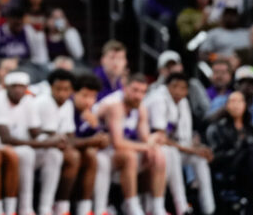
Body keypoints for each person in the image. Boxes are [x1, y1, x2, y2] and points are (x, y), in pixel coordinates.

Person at [0, 72, 65, 215]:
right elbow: (6, 138)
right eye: (14, 86)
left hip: (19, 147)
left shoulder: (28, 101)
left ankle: (45, 208)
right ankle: (16, 209)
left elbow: (35, 132)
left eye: (22, 86)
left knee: (54, 154)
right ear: (6, 87)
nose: (18, 90)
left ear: (26, 88)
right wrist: (48, 143)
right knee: (26, 153)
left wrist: (55, 137)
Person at [94, 74, 165, 215]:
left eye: (142, 92)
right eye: (135, 90)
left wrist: (154, 139)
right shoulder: (114, 105)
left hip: (116, 150)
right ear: (125, 88)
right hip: (99, 150)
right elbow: (118, 143)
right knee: (130, 156)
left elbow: (145, 138)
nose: (138, 95)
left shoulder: (140, 107)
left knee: (159, 155)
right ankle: (131, 205)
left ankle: (157, 207)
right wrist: (147, 146)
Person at [145, 72, 214, 215]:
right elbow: (160, 137)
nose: (178, 91)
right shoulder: (158, 99)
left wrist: (199, 148)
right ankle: (181, 208)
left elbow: (184, 138)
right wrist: (192, 150)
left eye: (183, 88)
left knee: (200, 158)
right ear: (167, 86)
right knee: (173, 154)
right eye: (174, 86)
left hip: (172, 148)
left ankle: (209, 209)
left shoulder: (183, 102)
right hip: (152, 148)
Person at [204, 91, 253, 199]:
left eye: (239, 101)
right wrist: (240, 150)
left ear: (245, 105)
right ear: (226, 106)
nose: (236, 105)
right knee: (250, 151)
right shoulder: (217, 128)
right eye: (233, 101)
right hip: (231, 166)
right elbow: (215, 156)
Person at [29, 70, 78, 215]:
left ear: (71, 90)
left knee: (72, 156)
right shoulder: (43, 102)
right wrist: (61, 140)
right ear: (51, 88)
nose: (62, 93)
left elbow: (69, 135)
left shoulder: (68, 105)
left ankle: (60, 207)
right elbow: (41, 133)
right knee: (59, 155)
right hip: (33, 148)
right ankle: (44, 208)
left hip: (51, 148)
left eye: (66, 89)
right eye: (58, 89)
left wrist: (63, 141)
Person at [66, 74, 111, 215]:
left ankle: (90, 208)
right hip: (60, 151)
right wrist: (93, 140)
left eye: (93, 97)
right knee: (83, 155)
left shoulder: (90, 113)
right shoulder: (67, 107)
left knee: (99, 158)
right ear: (74, 93)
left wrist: (96, 130)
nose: (88, 101)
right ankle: (62, 207)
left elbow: (101, 141)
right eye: (84, 96)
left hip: (80, 152)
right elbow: (68, 141)